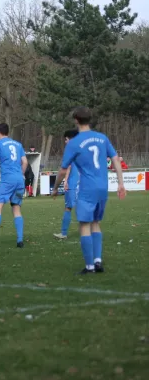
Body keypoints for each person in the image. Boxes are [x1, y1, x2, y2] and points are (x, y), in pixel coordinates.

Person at [51, 107, 126, 274]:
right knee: (96, 223)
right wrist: (121, 183)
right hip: (103, 187)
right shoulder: (102, 138)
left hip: (87, 188)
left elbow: (63, 170)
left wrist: (56, 187)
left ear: (76, 120)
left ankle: (89, 266)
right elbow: (115, 158)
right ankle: (98, 261)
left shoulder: (74, 143)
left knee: (84, 225)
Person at [53, 130, 80, 240]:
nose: (65, 142)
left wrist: (59, 185)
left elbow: (65, 169)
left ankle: (63, 233)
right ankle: (90, 232)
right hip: (86, 184)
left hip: (73, 184)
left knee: (68, 208)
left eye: (66, 139)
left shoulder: (70, 150)